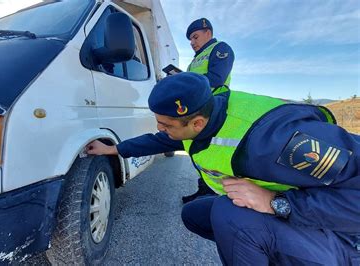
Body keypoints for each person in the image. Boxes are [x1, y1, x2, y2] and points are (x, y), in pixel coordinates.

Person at [86, 72, 360, 265]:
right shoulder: (208, 111)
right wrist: (114, 149)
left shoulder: (280, 140)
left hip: (344, 238)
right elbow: (162, 140)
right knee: (197, 213)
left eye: (166, 124)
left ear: (197, 125)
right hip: (307, 219)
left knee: (230, 215)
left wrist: (275, 202)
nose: (161, 129)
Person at [182, 18, 235, 203]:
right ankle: (204, 190)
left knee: (212, 152)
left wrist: (186, 81)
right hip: (198, 107)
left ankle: (217, 194)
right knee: (198, 151)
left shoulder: (220, 48)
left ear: (208, 33)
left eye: (195, 37)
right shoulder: (194, 61)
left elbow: (217, 78)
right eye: (190, 40)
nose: (192, 43)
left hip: (215, 105)